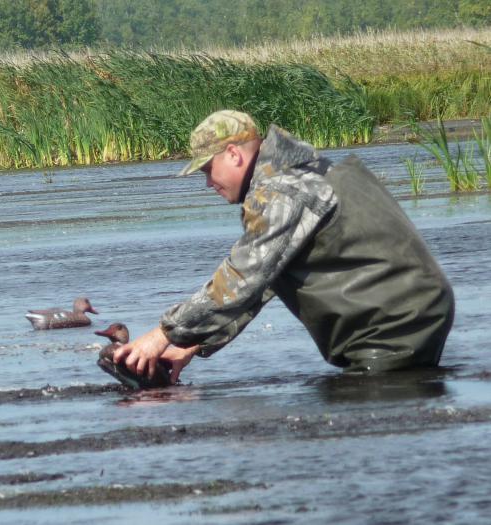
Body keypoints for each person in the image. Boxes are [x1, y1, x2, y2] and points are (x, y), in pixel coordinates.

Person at [114, 110, 455, 384]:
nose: (207, 182)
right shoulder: (301, 172)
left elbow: (243, 276)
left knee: (364, 420)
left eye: (207, 169)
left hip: (392, 323)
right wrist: (194, 343)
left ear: (232, 154)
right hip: (412, 310)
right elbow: (265, 281)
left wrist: (164, 334)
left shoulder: (281, 191)